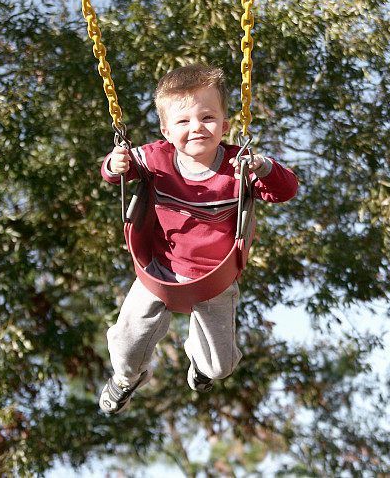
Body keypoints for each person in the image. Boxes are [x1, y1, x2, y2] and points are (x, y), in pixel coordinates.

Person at [98, 64, 298, 414]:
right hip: (159, 270)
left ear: (224, 125)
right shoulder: (156, 158)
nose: (196, 128)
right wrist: (114, 165)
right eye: (183, 121)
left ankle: (200, 362)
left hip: (215, 281)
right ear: (166, 130)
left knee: (220, 367)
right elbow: (119, 173)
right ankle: (127, 380)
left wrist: (264, 167)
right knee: (127, 348)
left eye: (207, 117)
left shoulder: (239, 166)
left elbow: (286, 190)